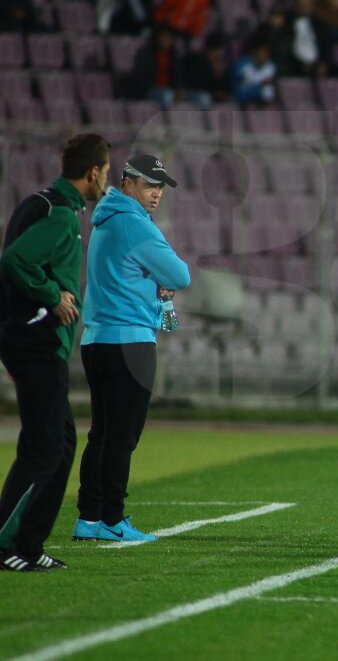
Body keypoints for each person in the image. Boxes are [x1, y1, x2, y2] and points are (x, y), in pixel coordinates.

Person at [0, 134, 111, 572]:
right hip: (38, 341)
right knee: (46, 445)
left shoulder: (39, 202)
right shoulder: (62, 216)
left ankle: (28, 543)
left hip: (27, 339)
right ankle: (7, 542)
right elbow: (14, 260)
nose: (106, 178)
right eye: (106, 170)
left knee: (61, 442)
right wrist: (53, 296)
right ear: (93, 173)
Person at [72, 154, 190, 544]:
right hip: (131, 342)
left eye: (160, 186)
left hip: (96, 340)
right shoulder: (134, 224)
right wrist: (160, 281)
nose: (156, 193)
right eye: (149, 184)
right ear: (127, 183)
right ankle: (112, 518)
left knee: (102, 434)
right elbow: (180, 275)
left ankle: (88, 518)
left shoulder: (106, 217)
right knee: (122, 437)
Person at [132, 26, 184, 108]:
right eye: (162, 36)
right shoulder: (145, 54)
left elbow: (178, 77)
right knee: (167, 95)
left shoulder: (174, 56)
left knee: (202, 98)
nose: (164, 40)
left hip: (171, 90)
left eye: (167, 37)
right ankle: (166, 120)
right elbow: (141, 77)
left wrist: (178, 89)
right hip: (151, 90)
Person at [233, 40, 277, 107]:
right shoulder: (242, 66)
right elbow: (238, 94)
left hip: (261, 107)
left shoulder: (270, 66)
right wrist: (260, 86)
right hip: (242, 106)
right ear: (254, 52)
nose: (265, 55)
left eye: (266, 53)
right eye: (262, 52)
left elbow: (270, 94)